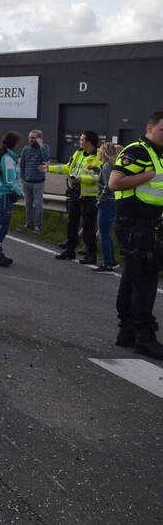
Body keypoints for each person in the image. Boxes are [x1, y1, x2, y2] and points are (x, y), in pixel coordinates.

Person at [109, 112, 163, 359]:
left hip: (148, 224)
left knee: (133, 276)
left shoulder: (158, 154)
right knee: (145, 280)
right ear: (150, 127)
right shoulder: (137, 150)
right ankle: (144, 336)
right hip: (134, 225)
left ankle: (127, 331)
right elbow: (115, 182)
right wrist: (149, 175)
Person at [47, 130, 102, 264]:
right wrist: (49, 168)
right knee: (72, 222)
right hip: (74, 192)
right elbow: (67, 168)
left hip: (89, 196)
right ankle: (70, 250)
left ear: (89, 142)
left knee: (88, 225)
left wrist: (82, 178)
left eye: (82, 140)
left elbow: (100, 177)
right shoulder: (78, 153)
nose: (79, 142)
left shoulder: (99, 156)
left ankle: (90, 254)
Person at [0, 131, 23, 267]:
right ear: (14, 144)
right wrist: (20, 192)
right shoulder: (8, 159)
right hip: (4, 196)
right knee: (2, 227)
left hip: (1, 195)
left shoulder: (5, 156)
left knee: (0, 226)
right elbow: (10, 180)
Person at [92, 142, 121, 273]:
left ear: (103, 153)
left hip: (107, 202)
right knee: (108, 234)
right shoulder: (109, 165)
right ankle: (112, 261)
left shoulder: (107, 166)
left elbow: (107, 186)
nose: (98, 153)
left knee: (103, 235)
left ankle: (107, 264)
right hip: (113, 202)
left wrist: (100, 200)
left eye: (100, 151)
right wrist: (96, 169)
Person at [18, 129, 50, 231]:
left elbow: (47, 158)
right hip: (27, 182)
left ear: (39, 139)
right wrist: (22, 178)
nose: (31, 139)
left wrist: (41, 146)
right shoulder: (26, 149)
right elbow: (22, 165)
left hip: (38, 182)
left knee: (38, 205)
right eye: (30, 137)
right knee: (28, 204)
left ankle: (38, 226)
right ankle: (29, 224)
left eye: (33, 137)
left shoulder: (44, 148)